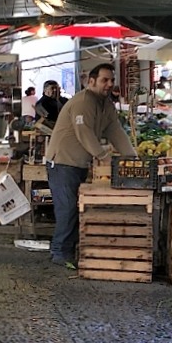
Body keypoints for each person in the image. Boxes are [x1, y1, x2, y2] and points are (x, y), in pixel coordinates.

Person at [43, 63, 138, 266]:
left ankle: (67, 250)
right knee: (67, 208)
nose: (109, 84)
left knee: (75, 208)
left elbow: (116, 131)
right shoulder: (83, 102)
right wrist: (102, 155)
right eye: (105, 80)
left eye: (112, 80)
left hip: (79, 164)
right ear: (91, 81)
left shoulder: (106, 105)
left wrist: (133, 157)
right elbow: (83, 132)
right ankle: (59, 252)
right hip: (62, 162)